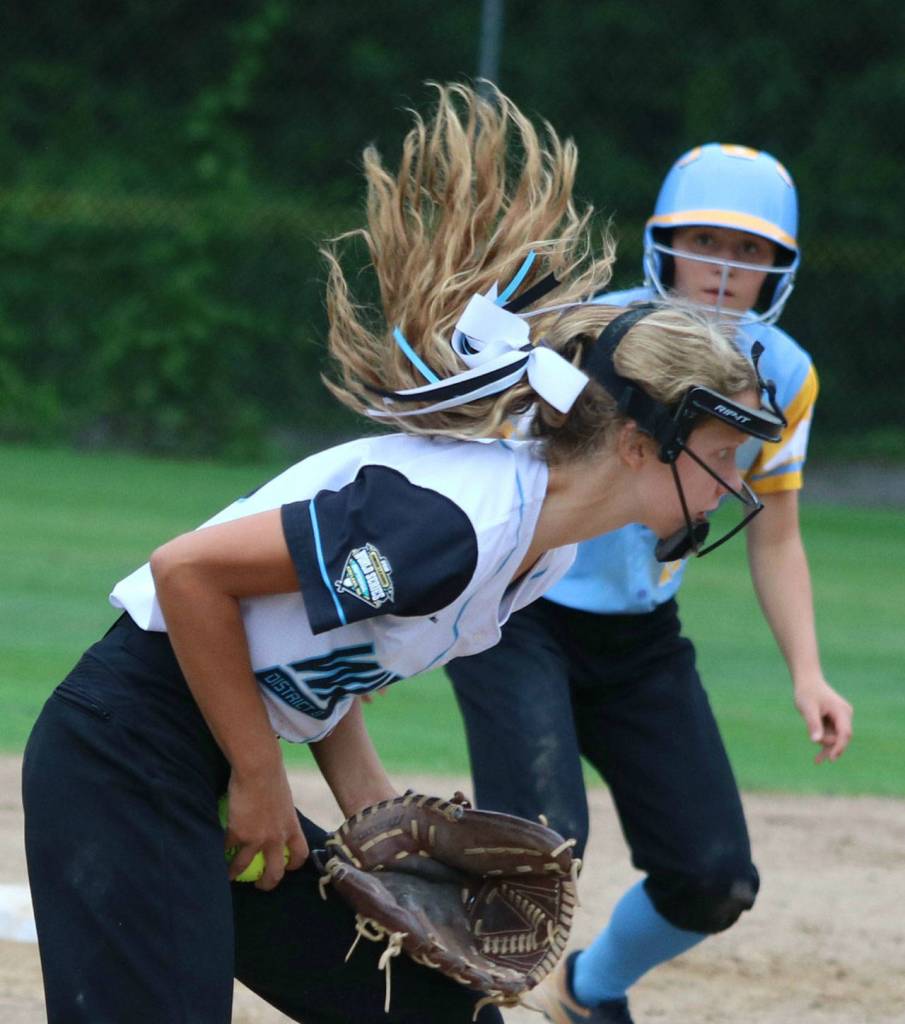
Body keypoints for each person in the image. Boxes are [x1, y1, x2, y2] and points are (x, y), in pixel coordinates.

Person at [20, 93, 782, 1024]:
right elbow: (189, 575)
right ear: (634, 444)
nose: (729, 489)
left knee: (438, 1016)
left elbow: (327, 655)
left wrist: (369, 805)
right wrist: (261, 779)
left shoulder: (533, 556)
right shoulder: (459, 525)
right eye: (719, 460)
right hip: (123, 753)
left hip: (205, 753)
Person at [446, 142, 855, 1024]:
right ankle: (448, 1005)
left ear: (778, 270)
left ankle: (590, 993)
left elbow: (774, 535)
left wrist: (808, 673)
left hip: (639, 640)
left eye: (748, 251)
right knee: (539, 853)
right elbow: (483, 462)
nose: (721, 267)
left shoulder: (786, 374)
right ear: (660, 243)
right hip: (520, 614)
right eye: (702, 240)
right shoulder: (594, 334)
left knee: (713, 879)